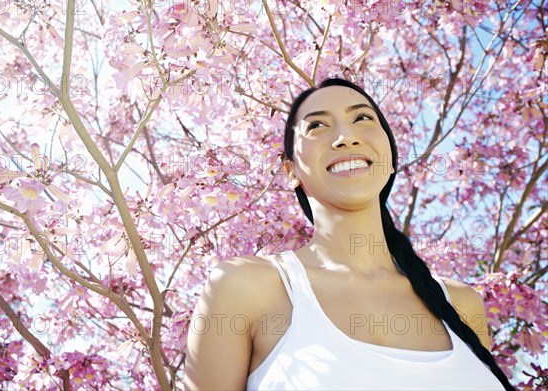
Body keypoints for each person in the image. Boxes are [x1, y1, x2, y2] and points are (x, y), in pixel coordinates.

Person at [183, 78, 514, 390]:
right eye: (317, 125)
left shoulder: (462, 304)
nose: (346, 137)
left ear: (390, 157)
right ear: (291, 171)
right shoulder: (246, 287)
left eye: (363, 119)